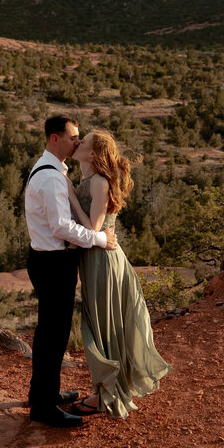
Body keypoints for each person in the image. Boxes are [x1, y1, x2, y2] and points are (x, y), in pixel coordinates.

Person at [67, 130, 171, 418]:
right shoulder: (87, 179)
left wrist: (71, 196)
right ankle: (107, 388)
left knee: (103, 325)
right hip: (94, 260)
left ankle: (108, 394)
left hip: (105, 262)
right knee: (101, 324)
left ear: (93, 153)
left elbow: (93, 230)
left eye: (84, 141)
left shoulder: (98, 182)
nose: (78, 143)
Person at [24, 115, 119, 428]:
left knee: (50, 333)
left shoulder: (51, 170)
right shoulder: (52, 177)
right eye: (72, 137)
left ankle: (44, 394)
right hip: (53, 263)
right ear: (55, 139)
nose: (77, 142)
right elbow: (61, 227)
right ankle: (43, 408)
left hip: (49, 260)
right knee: (53, 334)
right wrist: (100, 238)